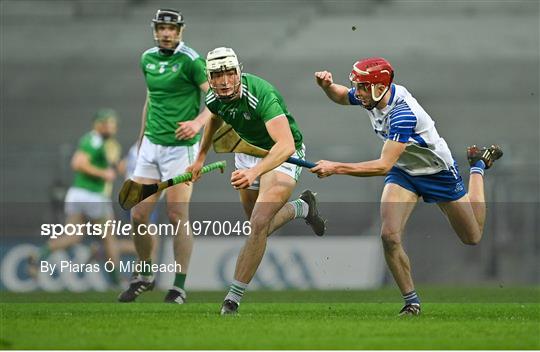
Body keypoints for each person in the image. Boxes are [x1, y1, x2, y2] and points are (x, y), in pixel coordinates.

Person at [312, 58, 503, 316]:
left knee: (472, 236)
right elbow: (341, 96)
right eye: (357, 86)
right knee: (389, 236)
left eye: (362, 87)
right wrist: (327, 86)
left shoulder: (402, 114)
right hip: (404, 171)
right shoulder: (372, 95)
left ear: (379, 87)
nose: (357, 93)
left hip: (437, 173)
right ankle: (411, 303)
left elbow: (382, 165)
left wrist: (336, 168)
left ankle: (478, 166)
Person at [187, 47, 327, 315]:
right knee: (257, 224)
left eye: (230, 73)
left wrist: (254, 173)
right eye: (217, 75)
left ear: (239, 71)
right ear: (209, 77)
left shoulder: (261, 95)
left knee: (258, 224)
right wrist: (199, 157)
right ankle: (303, 208)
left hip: (283, 154)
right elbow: (214, 119)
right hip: (247, 152)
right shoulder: (214, 98)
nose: (225, 81)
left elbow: (285, 145)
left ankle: (232, 298)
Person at [118, 9, 212, 304]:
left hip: (181, 150)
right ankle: (145, 275)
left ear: (180, 31)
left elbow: (215, 100)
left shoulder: (192, 61)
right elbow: (151, 99)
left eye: (172, 29)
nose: (166, 33)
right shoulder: (147, 59)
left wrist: (197, 123)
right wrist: (140, 137)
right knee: (138, 213)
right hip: (150, 146)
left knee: (176, 215)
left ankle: (179, 286)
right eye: (161, 28)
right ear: (155, 30)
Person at [30, 109, 123, 286]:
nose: (110, 127)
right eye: (106, 123)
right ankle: (116, 281)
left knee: (73, 237)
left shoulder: (104, 143)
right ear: (97, 124)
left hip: (77, 194)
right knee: (109, 238)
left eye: (112, 124)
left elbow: (113, 165)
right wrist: (103, 173)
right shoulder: (94, 139)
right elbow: (78, 163)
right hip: (93, 196)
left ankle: (39, 255)